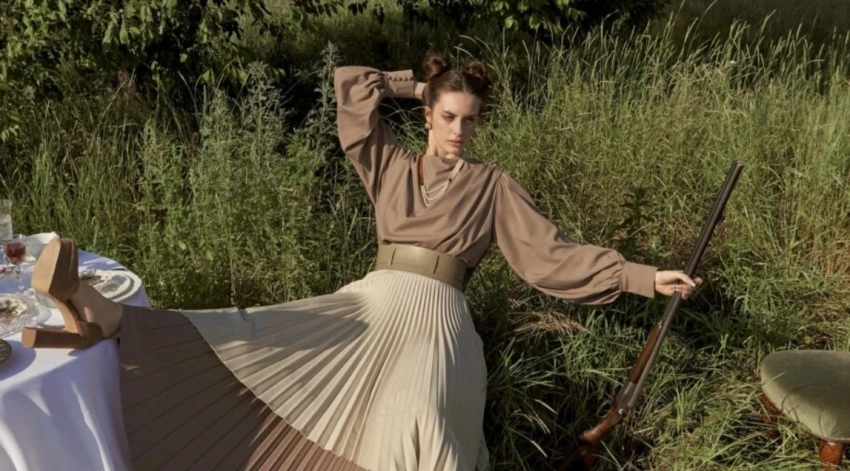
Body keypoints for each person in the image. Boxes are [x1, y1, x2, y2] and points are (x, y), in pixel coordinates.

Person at [22, 54, 700, 471]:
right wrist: (417, 83)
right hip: (370, 304)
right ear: (428, 115)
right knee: (251, 329)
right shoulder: (390, 166)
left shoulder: (493, 186)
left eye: (470, 120)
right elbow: (349, 86)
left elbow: (550, 256)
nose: (460, 130)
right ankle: (104, 311)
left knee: (418, 422)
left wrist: (641, 276)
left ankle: (102, 312)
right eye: (449, 116)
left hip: (438, 324)